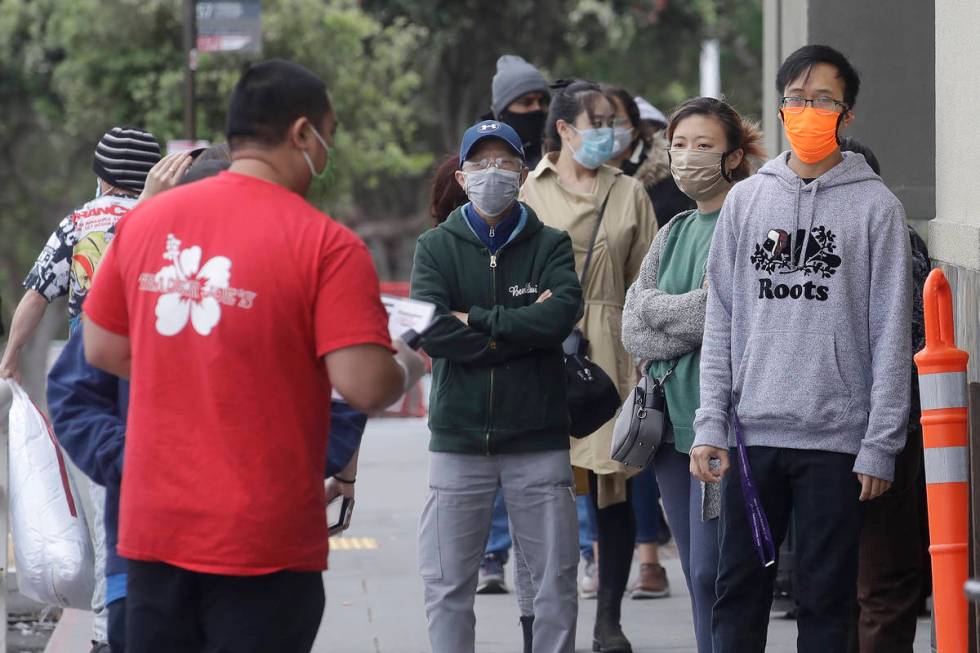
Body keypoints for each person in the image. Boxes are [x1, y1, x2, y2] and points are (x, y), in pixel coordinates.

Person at [81, 59, 425, 653]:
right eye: (329, 133)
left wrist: (193, 362)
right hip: (263, 540)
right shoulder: (326, 245)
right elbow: (365, 385)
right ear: (301, 134)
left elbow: (101, 347)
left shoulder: (145, 224)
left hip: (155, 532)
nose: (328, 149)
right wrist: (412, 361)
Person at [690, 45, 913, 652]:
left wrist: (880, 445)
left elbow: (890, 332)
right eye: (795, 98)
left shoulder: (876, 209)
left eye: (823, 100)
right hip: (750, 435)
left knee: (826, 600)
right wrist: (710, 421)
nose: (806, 110)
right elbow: (723, 321)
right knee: (736, 591)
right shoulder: (747, 200)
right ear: (781, 105)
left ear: (847, 113)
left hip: (837, 442)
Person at [411, 119, 582, 653]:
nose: (493, 174)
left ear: (523, 173)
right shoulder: (435, 246)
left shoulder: (551, 244)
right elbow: (431, 331)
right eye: (481, 164)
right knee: (446, 585)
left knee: (554, 584)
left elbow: (558, 321)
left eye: (505, 163)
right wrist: (517, 327)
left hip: (538, 439)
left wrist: (476, 319)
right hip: (459, 441)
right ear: (462, 177)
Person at [0, 126, 162, 652]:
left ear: (103, 175)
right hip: (158, 385)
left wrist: (11, 355)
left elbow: (35, 295)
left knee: (104, 514)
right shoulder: (165, 220)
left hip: (93, 396)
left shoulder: (78, 224)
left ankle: (103, 635)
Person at [520, 80, 659, 653]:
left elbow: (648, 282)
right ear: (565, 129)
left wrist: (647, 363)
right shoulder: (530, 190)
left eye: (613, 121)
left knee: (613, 490)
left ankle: (608, 621)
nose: (611, 131)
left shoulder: (628, 191)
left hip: (611, 349)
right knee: (542, 489)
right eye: (597, 121)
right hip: (544, 349)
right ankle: (543, 622)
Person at [622, 97, 765, 652]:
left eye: (703, 146)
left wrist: (661, 307)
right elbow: (633, 326)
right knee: (697, 576)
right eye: (678, 145)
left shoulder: (749, 218)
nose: (687, 157)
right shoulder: (675, 228)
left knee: (715, 572)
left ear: (733, 155)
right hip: (667, 427)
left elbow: (724, 310)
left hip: (722, 425)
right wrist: (673, 311)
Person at [838, 137, 930, 653]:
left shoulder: (899, 240)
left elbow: (903, 346)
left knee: (881, 580)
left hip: (889, 429)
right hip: (815, 432)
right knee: (839, 580)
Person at [604, 84, 677, 602]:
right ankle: (597, 557)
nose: (608, 131)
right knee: (599, 456)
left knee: (642, 441)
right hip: (594, 334)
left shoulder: (662, 184)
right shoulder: (570, 184)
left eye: (616, 121)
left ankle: (649, 557)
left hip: (650, 335)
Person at [609, 91, 695, 230]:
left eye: (617, 122)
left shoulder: (673, 177)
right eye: (598, 122)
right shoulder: (584, 177)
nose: (609, 129)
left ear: (636, 130)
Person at [488, 55, 551, 169]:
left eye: (542, 101)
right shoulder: (483, 162)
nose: (537, 108)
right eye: (526, 102)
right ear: (503, 112)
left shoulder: (559, 155)